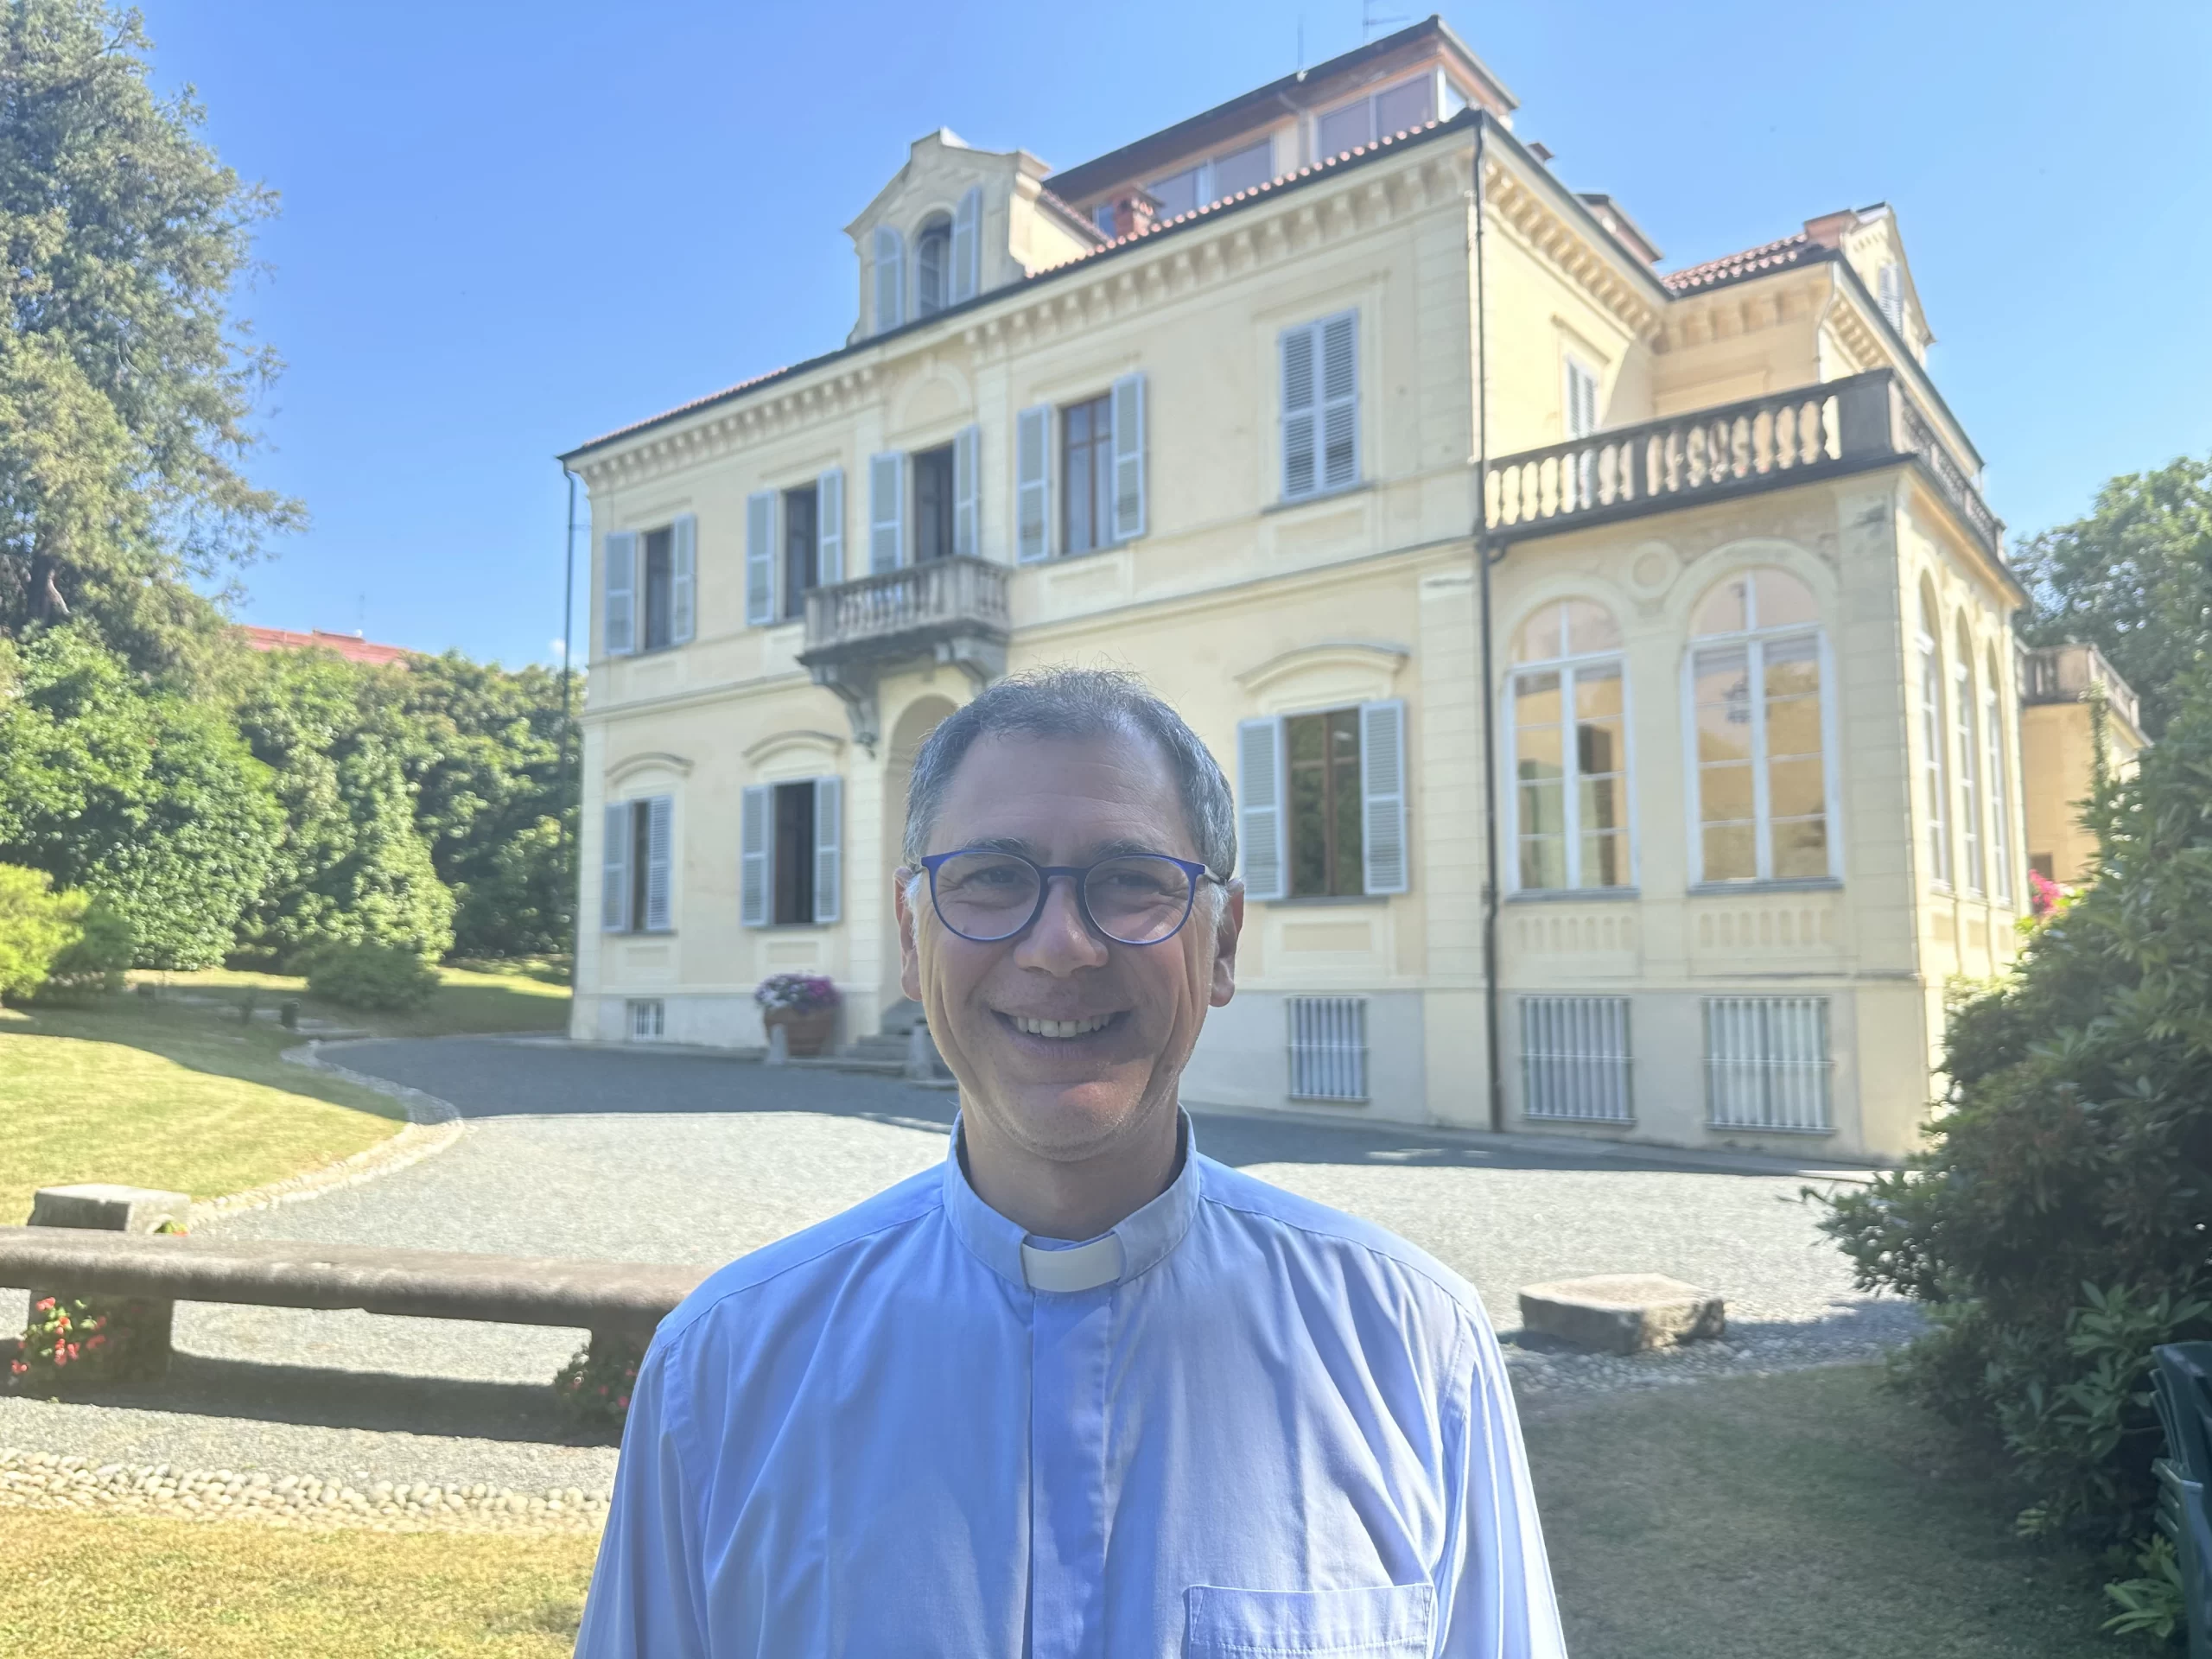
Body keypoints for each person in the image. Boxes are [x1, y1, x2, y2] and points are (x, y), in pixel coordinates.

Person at [575, 668, 1565, 1658]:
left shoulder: (1411, 1349)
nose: (1060, 946)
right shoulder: (724, 1369)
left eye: (1131, 880)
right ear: (912, 940)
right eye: (993, 877)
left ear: (1222, 945)